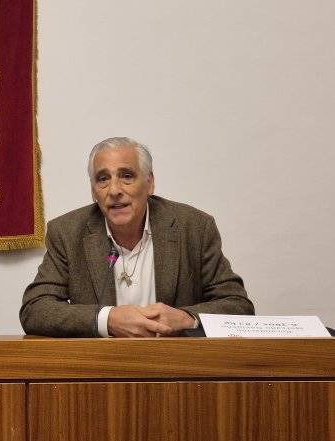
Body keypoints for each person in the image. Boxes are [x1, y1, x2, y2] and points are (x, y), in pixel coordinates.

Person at [20, 137, 253, 338]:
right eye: (103, 179)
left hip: (177, 366)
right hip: (102, 367)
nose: (114, 190)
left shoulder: (194, 227)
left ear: (149, 184)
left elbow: (238, 306)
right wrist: (107, 319)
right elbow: (35, 309)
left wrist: (185, 318)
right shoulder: (67, 232)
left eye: (127, 176)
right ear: (93, 191)